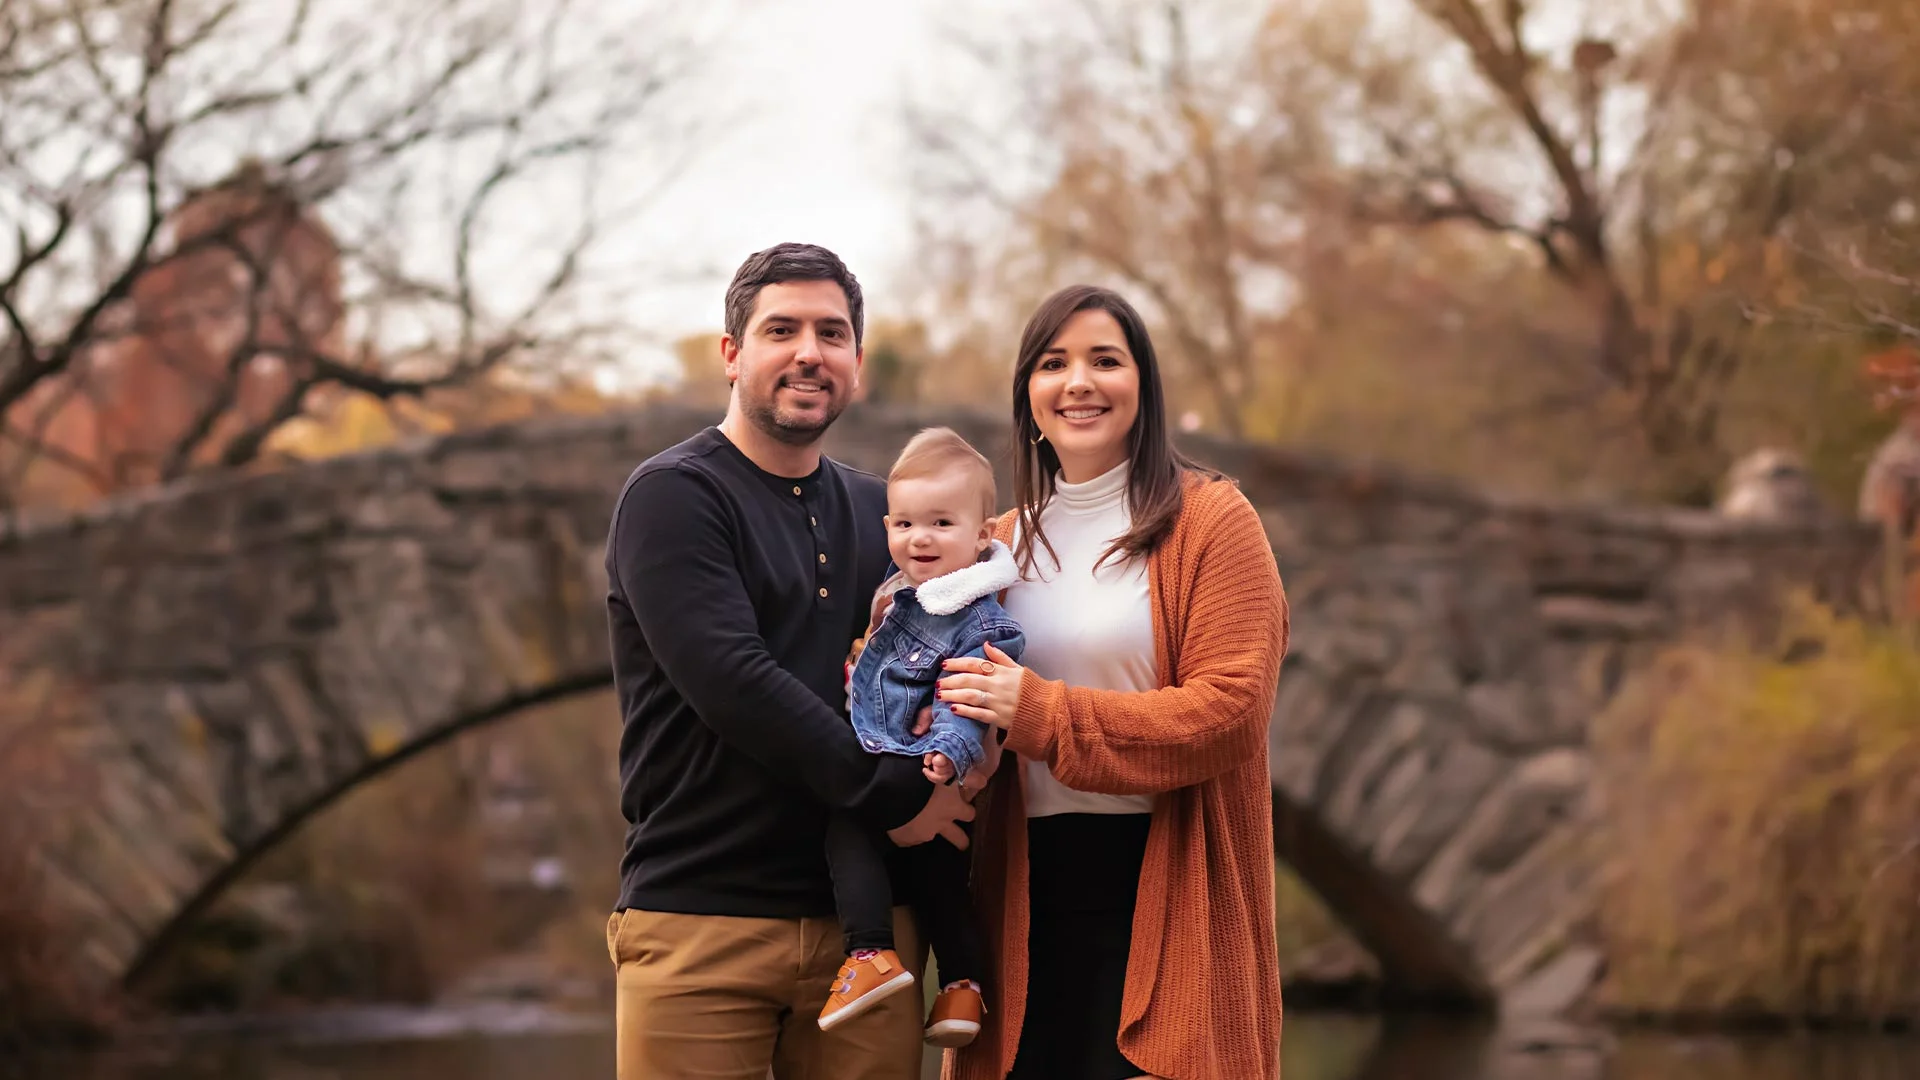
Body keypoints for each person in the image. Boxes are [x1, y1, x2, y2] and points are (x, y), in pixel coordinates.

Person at [602, 242, 976, 1080]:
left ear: (857, 366)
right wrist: (899, 796)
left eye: (832, 333)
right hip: (702, 922)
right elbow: (734, 682)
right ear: (732, 355)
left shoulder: (890, 515)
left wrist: (959, 760)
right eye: (782, 329)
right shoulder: (673, 499)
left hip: (873, 936)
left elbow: (966, 637)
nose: (810, 352)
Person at [936, 284, 1290, 1080]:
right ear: (1029, 393)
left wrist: (1043, 715)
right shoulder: (994, 548)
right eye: (1054, 364)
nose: (1079, 383)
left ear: (1143, 385)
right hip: (1023, 900)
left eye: (1105, 360)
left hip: (1168, 885)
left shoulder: (1213, 522)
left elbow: (1230, 712)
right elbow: (920, 665)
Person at [820, 427, 1025, 1046]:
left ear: (984, 535)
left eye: (940, 523)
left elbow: (970, 692)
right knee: (940, 876)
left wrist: (950, 750)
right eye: (905, 524)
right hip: (901, 753)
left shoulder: (978, 615)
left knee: (845, 829)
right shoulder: (898, 592)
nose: (921, 538)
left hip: (919, 760)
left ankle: (868, 954)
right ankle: (963, 990)